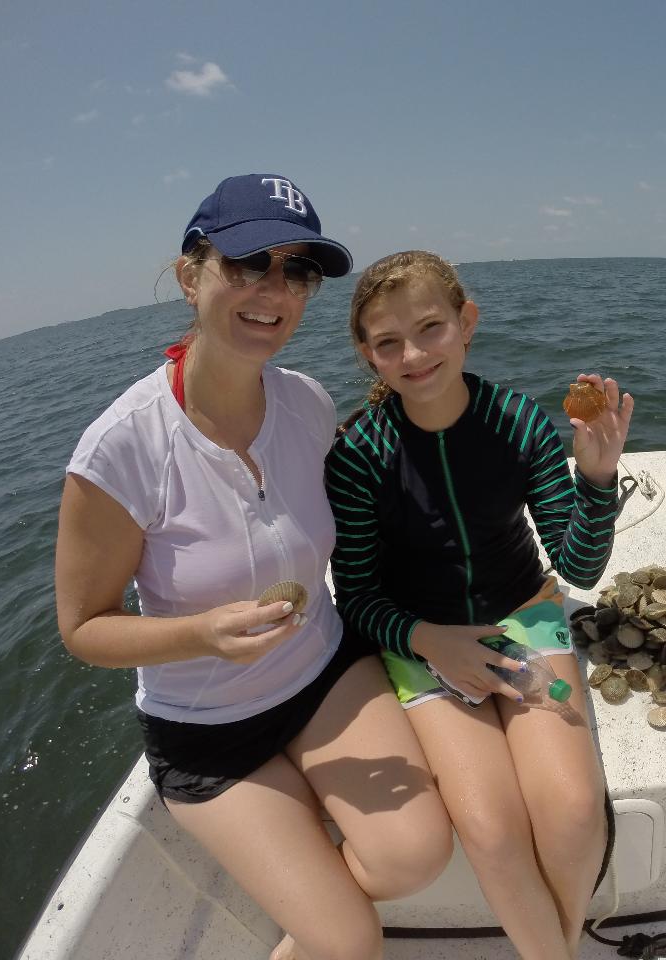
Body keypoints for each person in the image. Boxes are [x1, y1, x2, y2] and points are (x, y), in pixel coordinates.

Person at [55, 175, 453, 960]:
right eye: (247, 263)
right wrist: (199, 633)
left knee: (417, 856)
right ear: (190, 275)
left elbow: (371, 519)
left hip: (325, 670)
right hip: (210, 730)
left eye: (297, 271)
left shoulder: (305, 403)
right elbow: (83, 630)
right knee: (347, 944)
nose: (275, 289)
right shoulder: (121, 449)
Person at [325, 250, 634, 960]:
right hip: (422, 643)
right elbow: (360, 598)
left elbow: (578, 563)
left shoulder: (518, 421)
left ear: (467, 322)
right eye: (388, 342)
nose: (413, 353)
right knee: (490, 829)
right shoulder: (358, 456)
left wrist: (595, 479)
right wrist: (433, 641)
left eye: (431, 327)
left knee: (574, 809)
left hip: (525, 619)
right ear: (367, 356)